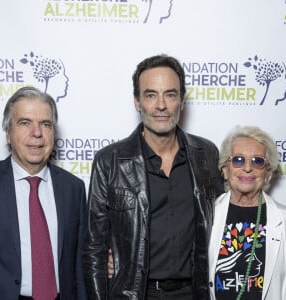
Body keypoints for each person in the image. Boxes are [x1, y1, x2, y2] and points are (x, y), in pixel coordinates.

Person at [82, 54, 224, 299]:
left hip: (195, 293)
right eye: (150, 95)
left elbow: (223, 221)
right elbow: (94, 249)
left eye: (170, 94)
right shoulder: (110, 161)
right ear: (137, 102)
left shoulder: (206, 155)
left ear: (182, 102)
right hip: (136, 293)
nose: (161, 105)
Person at [0, 87, 87, 300]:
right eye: (25, 123)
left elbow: (80, 266)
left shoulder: (74, 188)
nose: (37, 133)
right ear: (8, 133)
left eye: (46, 124)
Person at [208, 126, 286, 299]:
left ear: (267, 172)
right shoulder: (207, 214)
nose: (247, 168)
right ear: (224, 169)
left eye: (257, 161)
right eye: (238, 160)